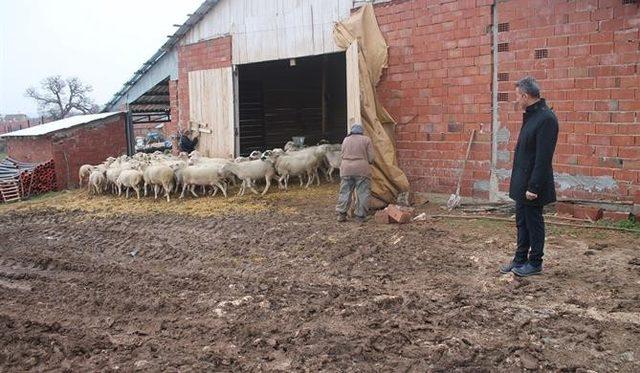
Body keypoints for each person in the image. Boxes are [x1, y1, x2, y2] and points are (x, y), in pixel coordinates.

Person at [500, 76, 559, 277]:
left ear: (525, 95)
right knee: (522, 222)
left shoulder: (546, 119)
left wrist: (534, 187)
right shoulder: (532, 115)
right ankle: (520, 259)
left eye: (517, 96)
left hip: (533, 185)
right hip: (521, 182)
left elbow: (543, 158)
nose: (516, 100)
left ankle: (535, 262)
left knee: (534, 223)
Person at [336, 123, 375, 223]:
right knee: (362, 193)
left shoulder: (346, 139)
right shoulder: (366, 140)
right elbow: (371, 158)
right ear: (361, 131)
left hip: (346, 169)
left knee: (345, 192)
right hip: (361, 170)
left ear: (352, 131)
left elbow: (342, 154)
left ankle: (341, 214)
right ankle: (360, 216)